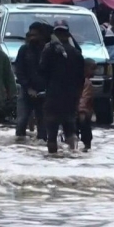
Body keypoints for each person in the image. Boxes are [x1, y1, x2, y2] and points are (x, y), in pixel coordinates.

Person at [40, 21, 85, 153]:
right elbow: (81, 78)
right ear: (68, 35)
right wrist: (77, 96)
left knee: (52, 135)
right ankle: (73, 156)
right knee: (70, 131)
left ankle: (53, 157)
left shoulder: (48, 51)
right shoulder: (76, 53)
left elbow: (42, 71)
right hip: (70, 98)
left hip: (53, 97)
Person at [15, 22, 49, 140]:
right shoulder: (24, 50)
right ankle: (20, 144)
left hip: (44, 92)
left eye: (35, 35)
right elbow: (19, 71)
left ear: (42, 35)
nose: (32, 38)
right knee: (21, 121)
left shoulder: (48, 50)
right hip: (26, 91)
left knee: (43, 126)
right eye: (30, 35)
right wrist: (28, 88)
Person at [78, 59, 98, 151]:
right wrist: (82, 111)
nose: (95, 72)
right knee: (86, 138)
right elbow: (84, 98)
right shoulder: (87, 83)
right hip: (82, 114)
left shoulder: (77, 80)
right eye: (92, 69)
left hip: (79, 112)